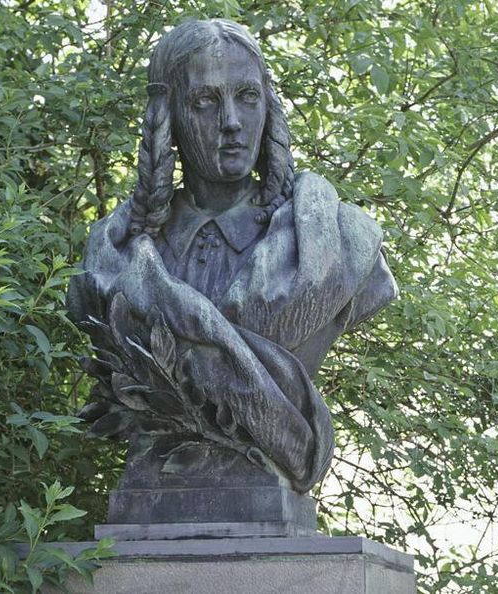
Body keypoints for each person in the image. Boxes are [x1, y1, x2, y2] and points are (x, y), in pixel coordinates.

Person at [67, 19, 396, 494]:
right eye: (205, 102)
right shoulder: (113, 256)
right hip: (155, 490)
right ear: (170, 118)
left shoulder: (335, 242)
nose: (232, 122)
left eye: (247, 97)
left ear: (268, 106)